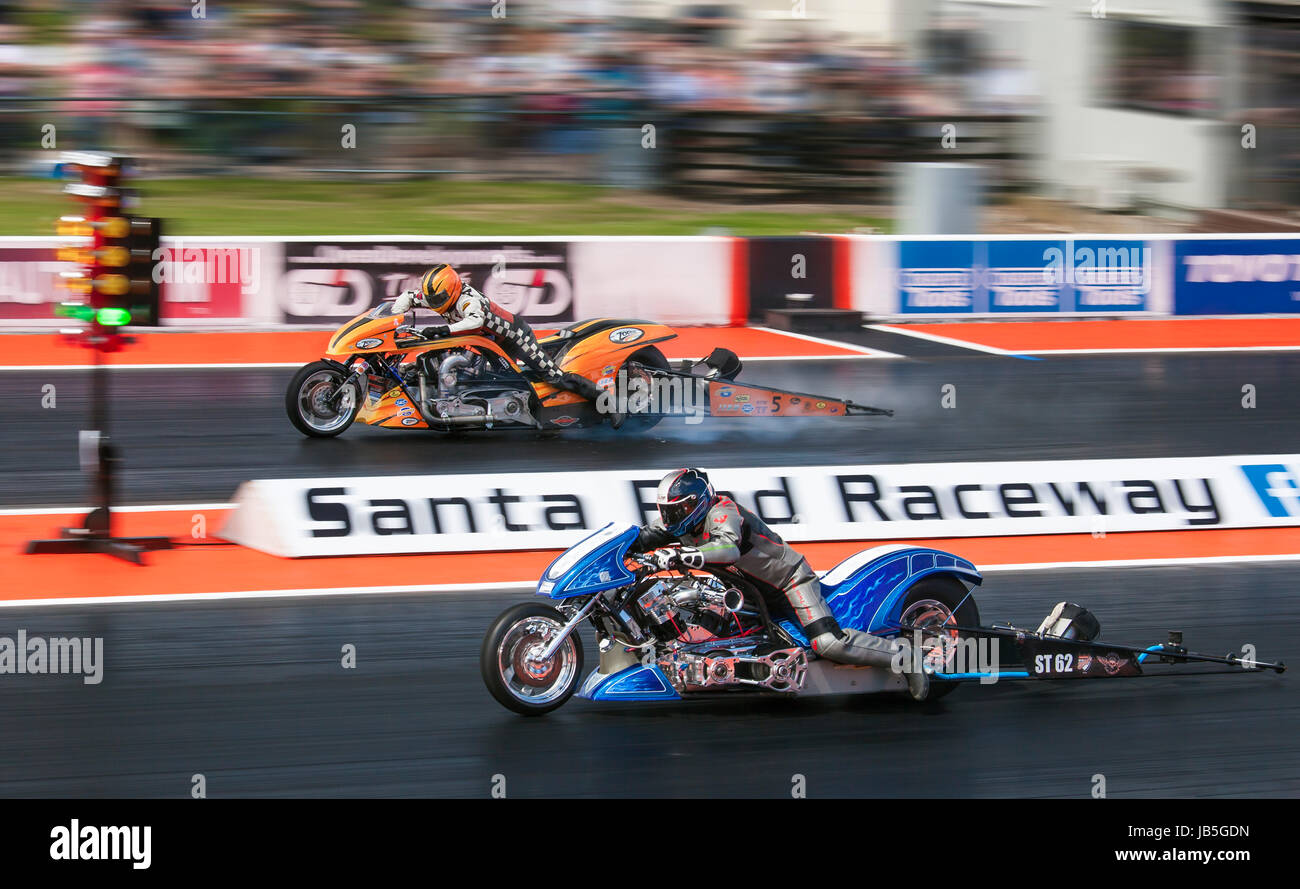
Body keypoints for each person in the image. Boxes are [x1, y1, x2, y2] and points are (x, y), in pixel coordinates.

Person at [634, 468, 930, 700]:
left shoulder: (723, 512)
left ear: (695, 505)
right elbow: (646, 536)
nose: (670, 517)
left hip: (789, 581)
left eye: (677, 510)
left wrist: (681, 555)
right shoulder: (680, 522)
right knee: (698, 638)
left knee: (827, 643)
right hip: (747, 591)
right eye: (667, 510)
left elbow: (728, 548)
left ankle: (905, 657)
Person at [393, 264, 600, 400]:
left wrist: (442, 329)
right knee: (482, 378)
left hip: (515, 338)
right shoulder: (439, 294)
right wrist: (395, 319)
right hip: (487, 342)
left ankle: (605, 399)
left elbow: (474, 322)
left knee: (554, 376)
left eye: (439, 299)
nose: (436, 303)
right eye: (433, 299)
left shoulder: (469, 301)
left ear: (453, 289)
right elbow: (408, 296)